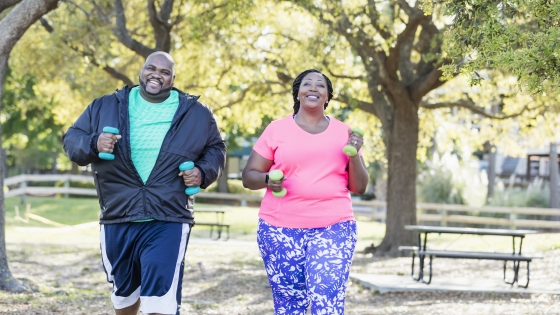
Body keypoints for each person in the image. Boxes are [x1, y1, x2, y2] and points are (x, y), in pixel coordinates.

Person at [63, 51, 226, 315]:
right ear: (141, 71)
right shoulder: (105, 106)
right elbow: (72, 140)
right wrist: (94, 143)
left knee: (160, 296)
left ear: (173, 79)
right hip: (118, 213)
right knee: (124, 294)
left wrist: (202, 171)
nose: (156, 75)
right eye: (151, 68)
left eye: (164, 72)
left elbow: (216, 149)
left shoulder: (196, 113)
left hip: (169, 215)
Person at [241, 69, 369, 315]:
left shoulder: (344, 132)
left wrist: (354, 154)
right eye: (307, 84)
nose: (313, 88)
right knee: (289, 304)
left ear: (327, 96)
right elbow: (249, 177)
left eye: (320, 85)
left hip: (335, 226)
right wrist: (268, 179)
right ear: (297, 93)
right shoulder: (277, 129)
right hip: (279, 229)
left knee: (327, 296)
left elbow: (359, 187)